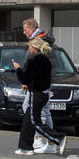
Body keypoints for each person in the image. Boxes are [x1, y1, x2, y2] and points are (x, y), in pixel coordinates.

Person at [11, 38, 66, 156]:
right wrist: (30, 85)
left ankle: (58, 137)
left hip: (36, 94)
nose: (28, 49)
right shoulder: (46, 60)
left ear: (35, 48)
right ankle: (25, 147)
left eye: (30, 47)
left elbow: (25, 78)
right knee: (27, 121)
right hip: (43, 93)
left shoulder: (33, 60)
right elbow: (39, 79)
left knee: (34, 121)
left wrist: (18, 69)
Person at [19, 18, 55, 148]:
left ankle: (44, 138)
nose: (24, 32)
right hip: (41, 82)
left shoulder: (39, 41)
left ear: (32, 28)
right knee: (41, 110)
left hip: (38, 84)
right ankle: (49, 140)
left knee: (36, 111)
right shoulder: (40, 39)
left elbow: (37, 63)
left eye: (25, 29)